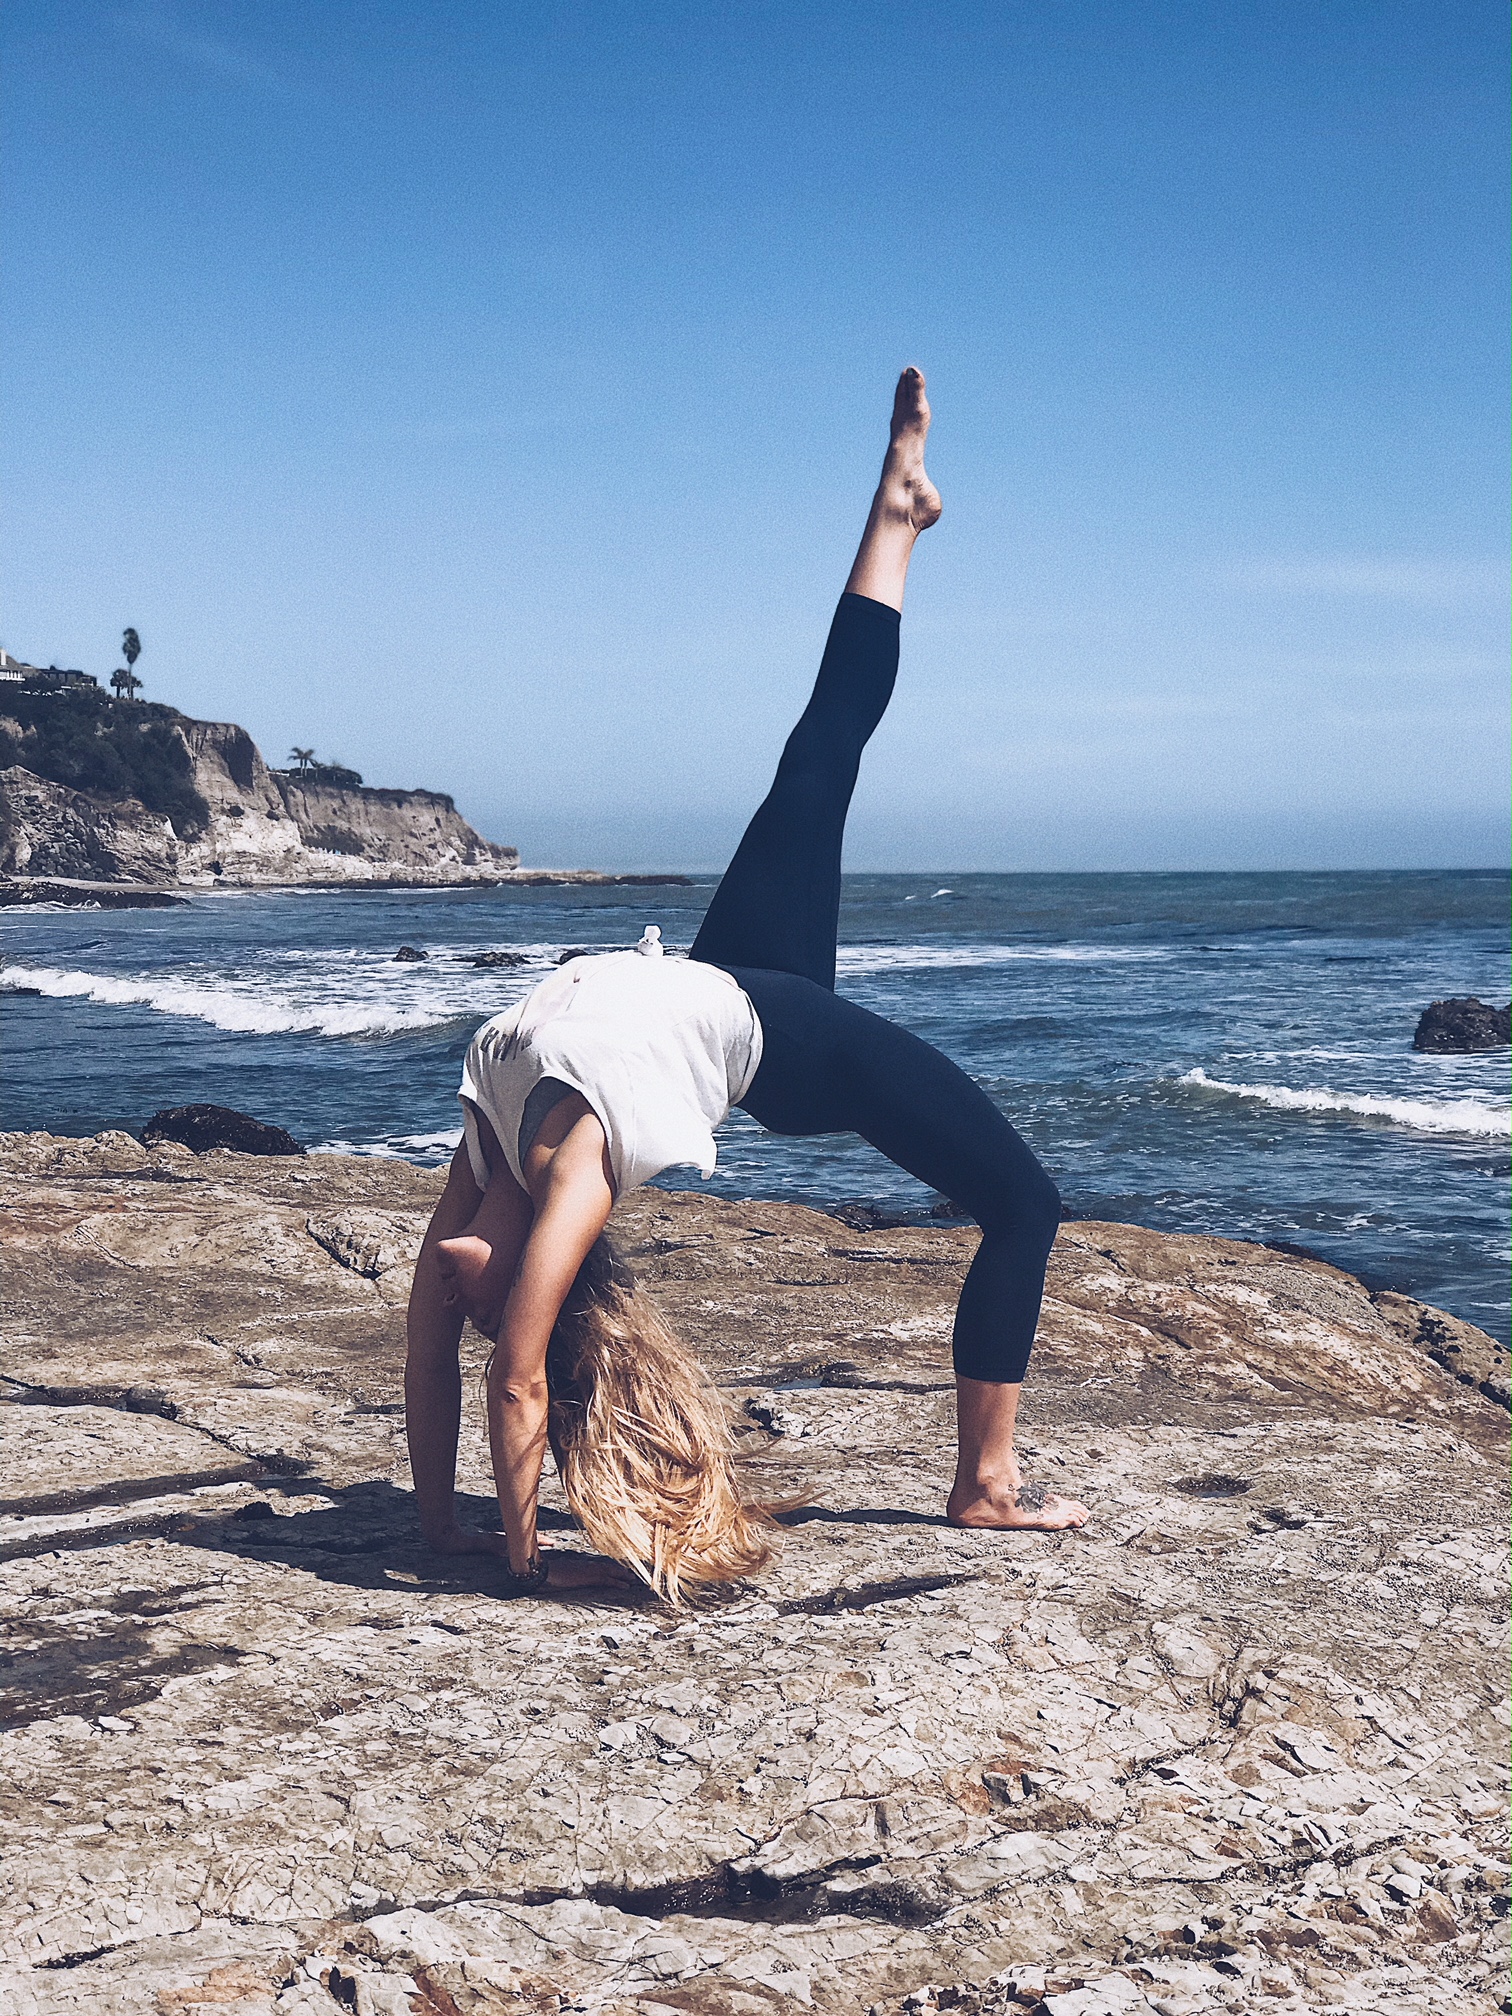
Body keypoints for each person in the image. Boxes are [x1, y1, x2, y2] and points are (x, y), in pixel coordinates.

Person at [405, 368, 1089, 1602]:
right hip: (778, 1040)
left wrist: (438, 1521)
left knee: (817, 755)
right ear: (524, 1287)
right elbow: (507, 1375)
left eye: (450, 1279)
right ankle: (985, 1486)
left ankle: (896, 512)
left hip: (715, 981)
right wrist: (509, 1555)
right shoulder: (566, 1181)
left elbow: (432, 1366)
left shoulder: (489, 1133)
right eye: (478, 1290)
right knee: (1026, 1204)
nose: (442, 1278)